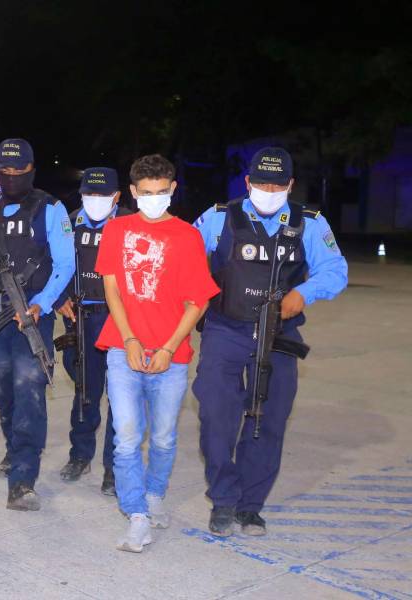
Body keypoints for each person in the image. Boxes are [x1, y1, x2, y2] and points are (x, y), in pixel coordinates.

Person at [193, 147, 348, 537]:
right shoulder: (218, 217)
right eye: (262, 183)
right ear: (247, 182)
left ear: (290, 185)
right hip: (225, 329)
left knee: (268, 417)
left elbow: (335, 270)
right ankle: (223, 498)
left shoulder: (309, 223)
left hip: (279, 334)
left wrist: (304, 293)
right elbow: (185, 262)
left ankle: (250, 506)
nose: (269, 191)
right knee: (215, 415)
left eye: (277, 185)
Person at [95, 154, 219, 553]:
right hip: (123, 349)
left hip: (171, 355)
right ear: (133, 191)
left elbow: (198, 300)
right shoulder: (116, 230)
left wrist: (169, 347)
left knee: (163, 438)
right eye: (146, 192)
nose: (153, 198)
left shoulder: (187, 236)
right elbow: (112, 289)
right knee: (127, 437)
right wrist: (130, 339)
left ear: (173, 189)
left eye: (161, 192)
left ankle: (154, 496)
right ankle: (137, 515)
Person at [0, 138, 74, 511]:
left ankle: (23, 479)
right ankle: (14, 447)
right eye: (6, 170)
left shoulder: (51, 209)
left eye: (19, 170)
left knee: (29, 385)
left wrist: (41, 303)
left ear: (32, 170)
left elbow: (65, 263)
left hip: (32, 311)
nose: (12, 176)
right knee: (1, 380)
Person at [55, 167, 130, 495]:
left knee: (120, 395)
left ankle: (114, 466)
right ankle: (80, 455)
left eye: (103, 195)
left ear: (117, 196)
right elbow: (55, 264)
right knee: (85, 391)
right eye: (89, 194)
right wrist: (59, 297)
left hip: (119, 319)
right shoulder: (70, 223)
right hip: (81, 317)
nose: (95, 200)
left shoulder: (130, 224)